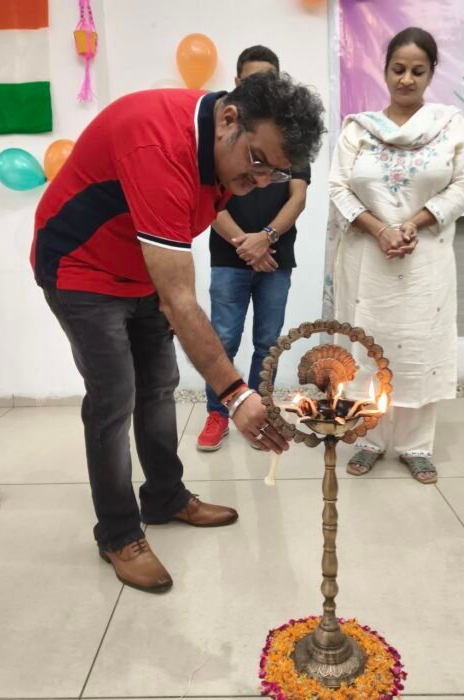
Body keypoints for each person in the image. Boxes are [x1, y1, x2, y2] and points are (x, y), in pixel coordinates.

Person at [30, 71, 325, 593]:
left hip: (138, 268)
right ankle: (118, 533)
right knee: (114, 395)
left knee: (160, 384)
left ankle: (164, 497)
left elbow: (176, 273)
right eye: (258, 162)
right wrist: (236, 395)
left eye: (276, 174)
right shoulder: (159, 144)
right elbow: (180, 297)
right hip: (81, 267)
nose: (261, 182)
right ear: (229, 119)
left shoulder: (224, 149)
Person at [329, 27, 464, 484]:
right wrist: (381, 229)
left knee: (418, 345)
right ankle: (368, 437)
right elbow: (338, 187)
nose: (406, 79)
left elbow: (462, 185)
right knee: (367, 345)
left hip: (424, 259)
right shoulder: (359, 129)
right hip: (367, 259)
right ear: (385, 70)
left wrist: (413, 224)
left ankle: (415, 445)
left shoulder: (450, 126)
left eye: (417, 70)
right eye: (398, 69)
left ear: (431, 73)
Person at [197, 46, 311, 452]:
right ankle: (218, 413)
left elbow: (297, 197)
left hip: (276, 256)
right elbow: (208, 199)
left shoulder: (291, 135)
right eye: (252, 81)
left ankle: (261, 412)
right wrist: (245, 244)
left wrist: (266, 238)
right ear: (236, 84)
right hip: (228, 255)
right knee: (223, 339)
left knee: (268, 343)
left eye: (269, 80)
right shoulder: (220, 131)